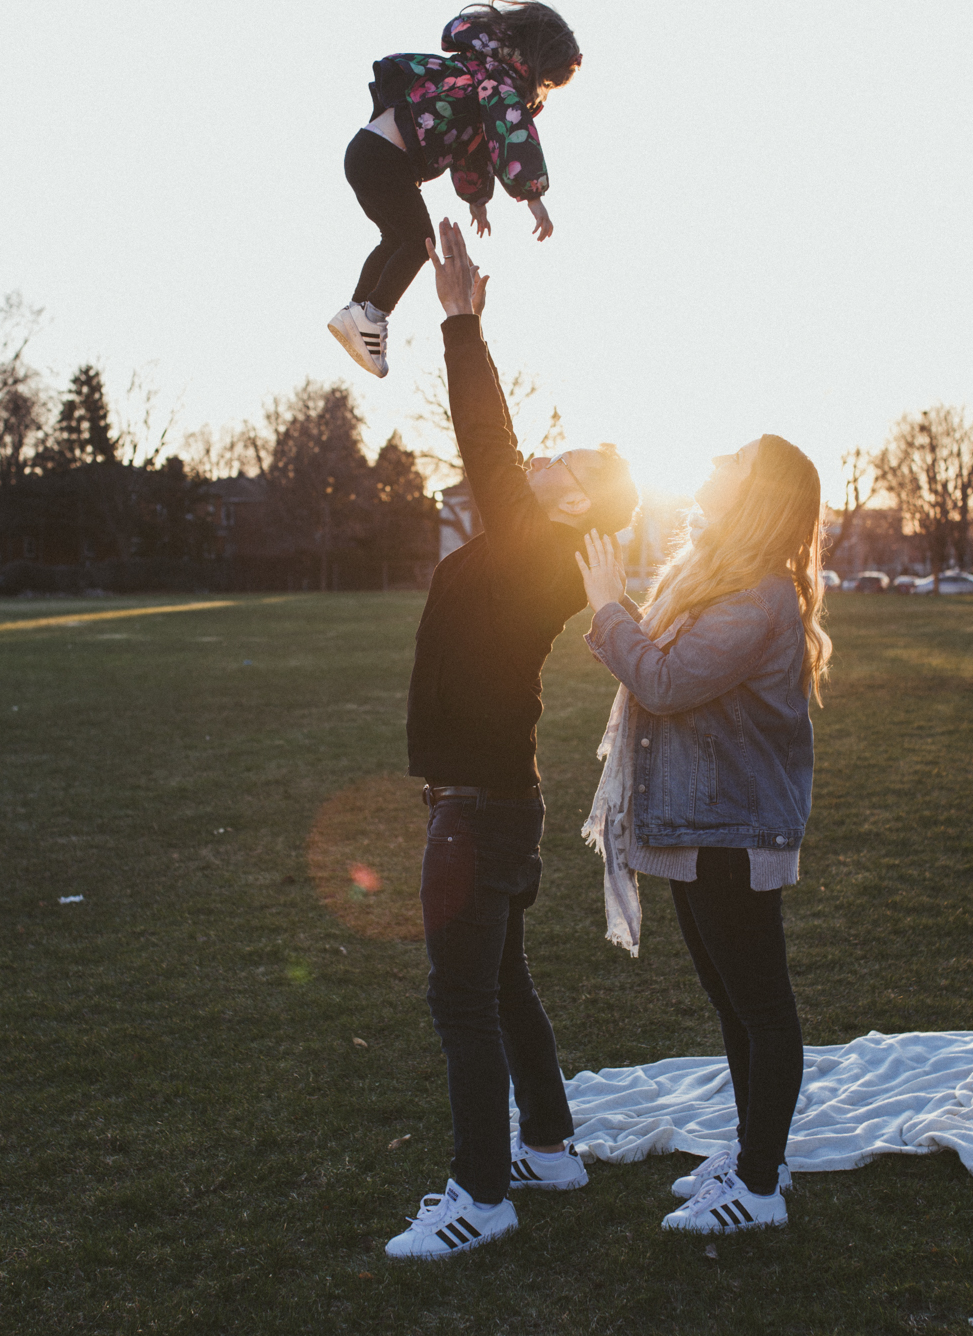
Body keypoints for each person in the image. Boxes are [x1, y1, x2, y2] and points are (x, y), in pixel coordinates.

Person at [383, 220, 638, 1261]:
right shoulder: (520, 550)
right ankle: (549, 1145)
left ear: (573, 502)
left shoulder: (538, 550)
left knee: (461, 1001)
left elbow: (485, 440)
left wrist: (458, 324)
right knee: (502, 984)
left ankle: (481, 1196)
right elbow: (495, 456)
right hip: (497, 799)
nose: (537, 456)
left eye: (560, 461)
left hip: (479, 807)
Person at [571, 435, 832, 1235]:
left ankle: (758, 1187)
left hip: (733, 830)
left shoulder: (758, 596)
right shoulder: (722, 579)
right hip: (702, 824)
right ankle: (761, 1153)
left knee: (761, 1003)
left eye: (735, 460)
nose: (715, 462)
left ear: (757, 495)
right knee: (732, 998)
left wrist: (608, 606)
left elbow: (662, 679)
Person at [330, 2, 581, 380]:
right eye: (546, 83)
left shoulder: (479, 70)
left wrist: (477, 198)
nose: (541, 91)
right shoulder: (499, 83)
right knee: (419, 242)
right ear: (537, 64)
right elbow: (510, 130)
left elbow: (473, 145)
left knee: (396, 238)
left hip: (367, 152)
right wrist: (533, 195)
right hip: (385, 158)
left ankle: (358, 310)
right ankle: (373, 315)